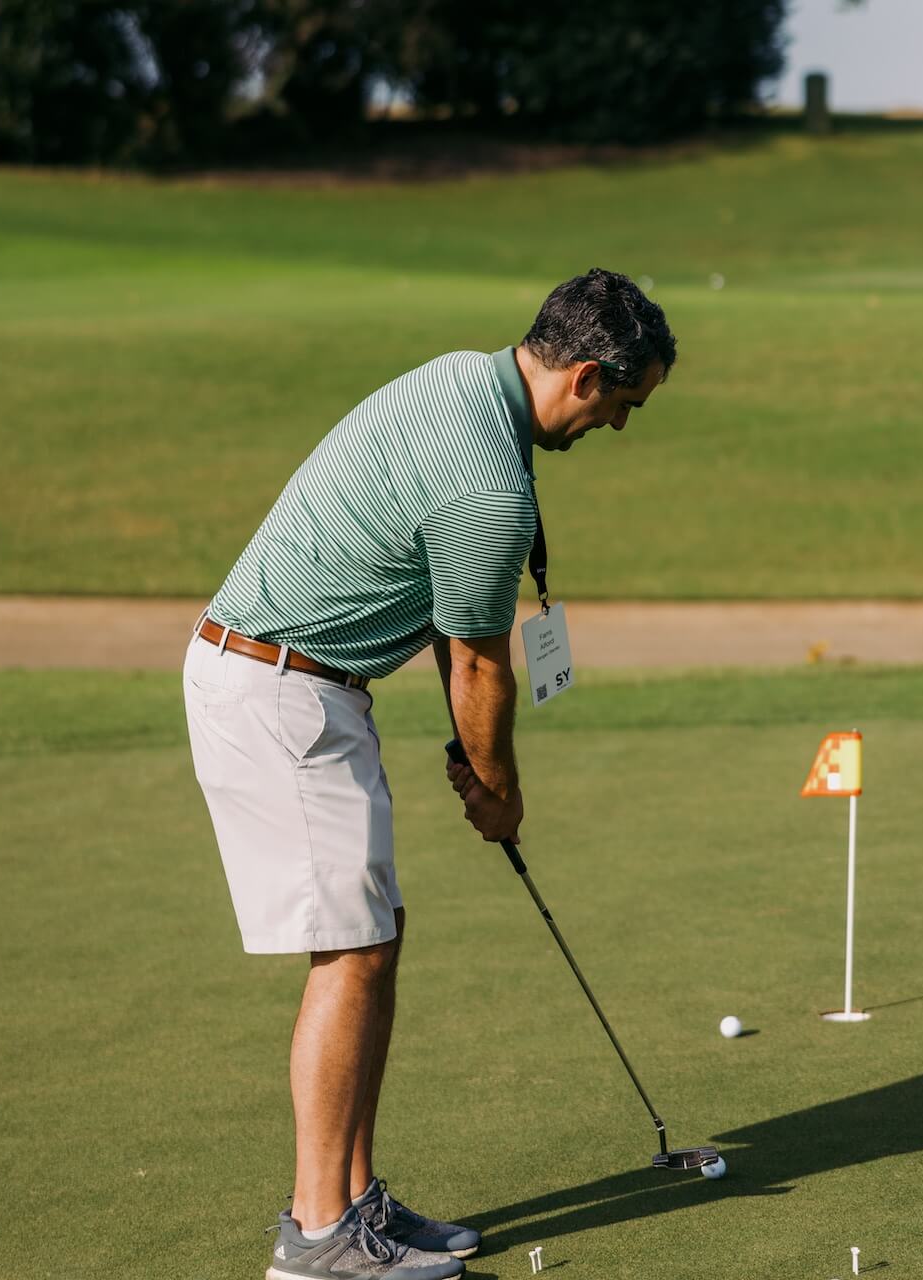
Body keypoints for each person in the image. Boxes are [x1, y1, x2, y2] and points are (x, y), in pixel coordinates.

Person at [182, 267, 677, 1280]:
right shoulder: (488, 483)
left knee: (375, 935)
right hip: (279, 692)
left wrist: (480, 755)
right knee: (353, 951)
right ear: (584, 376)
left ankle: (350, 1201)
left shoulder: (462, 381)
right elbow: (480, 661)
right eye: (624, 404)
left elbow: (448, 620)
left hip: (303, 685)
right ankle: (319, 1235)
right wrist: (497, 791)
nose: (620, 428)